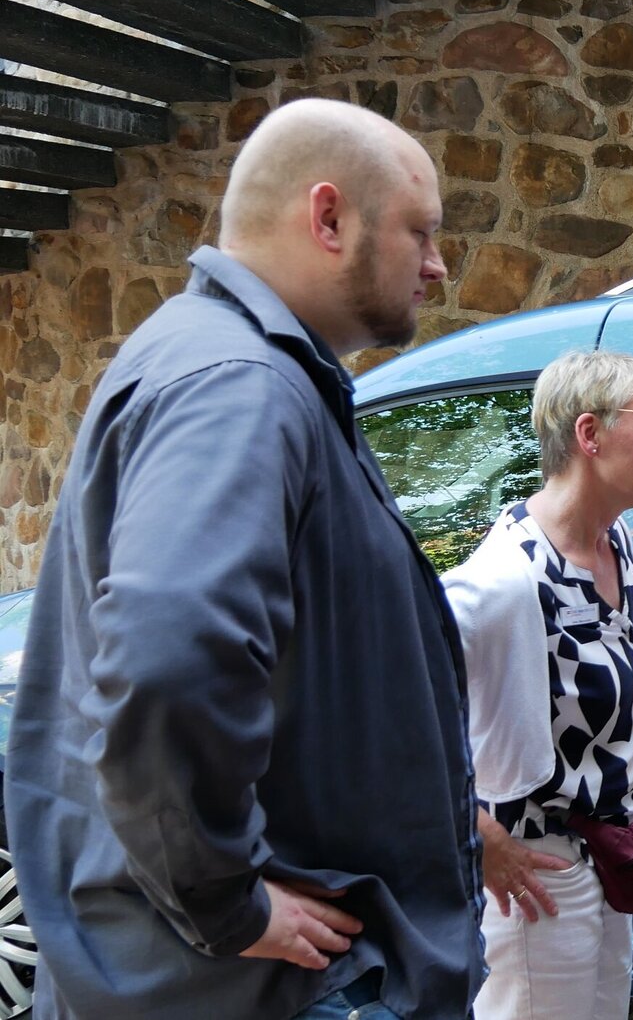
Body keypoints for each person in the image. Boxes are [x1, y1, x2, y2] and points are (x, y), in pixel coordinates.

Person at [4, 99, 482, 1018]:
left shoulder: (233, 366)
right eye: (421, 232)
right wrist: (226, 900)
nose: (438, 263)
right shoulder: (241, 387)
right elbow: (169, 657)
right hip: (270, 990)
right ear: (329, 217)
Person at [441, 350, 633, 1019]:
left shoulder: (615, 541)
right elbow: (383, 705)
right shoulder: (504, 577)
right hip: (536, 871)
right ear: (590, 434)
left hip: (604, 859)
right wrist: (474, 830)